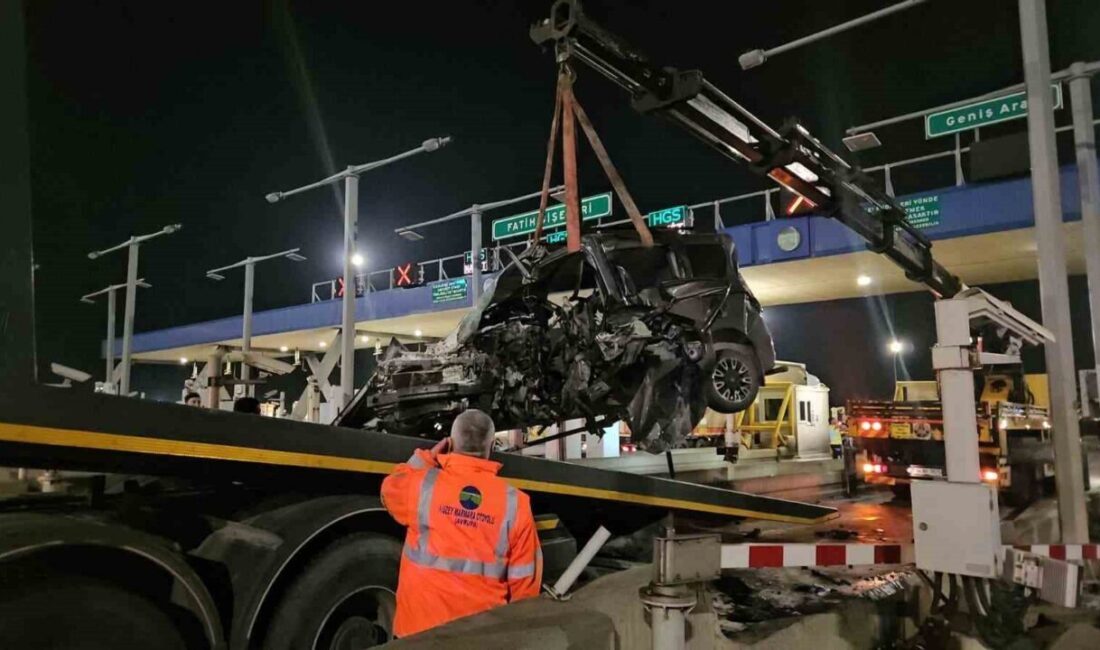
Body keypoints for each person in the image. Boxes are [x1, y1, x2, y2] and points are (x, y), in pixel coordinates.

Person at [381, 409, 542, 638]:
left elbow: (390, 487)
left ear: (450, 443)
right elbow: (525, 589)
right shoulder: (516, 504)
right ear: (492, 448)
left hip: (417, 636)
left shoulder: (422, 486)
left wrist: (426, 458)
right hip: (479, 638)